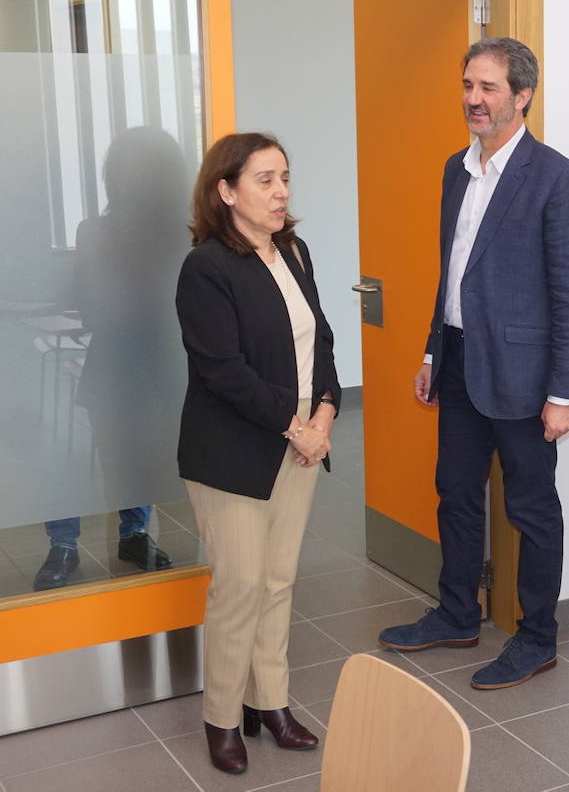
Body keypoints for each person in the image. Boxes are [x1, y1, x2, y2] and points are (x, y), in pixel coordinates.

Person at [377, 38, 569, 690]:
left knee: (532, 509)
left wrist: (564, 393)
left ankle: (537, 636)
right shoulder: (457, 169)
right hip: (460, 361)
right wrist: (432, 350)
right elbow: (454, 274)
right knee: (456, 493)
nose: (474, 99)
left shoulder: (557, 179)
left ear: (522, 96)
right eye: (468, 85)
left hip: (526, 378)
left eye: (489, 87)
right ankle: (457, 614)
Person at [176, 132, 341, 774]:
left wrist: (325, 411)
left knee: (278, 581)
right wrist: (296, 428)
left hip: (300, 440)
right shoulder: (207, 267)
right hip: (234, 450)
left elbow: (320, 338)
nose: (281, 193)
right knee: (240, 587)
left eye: (285, 178)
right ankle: (222, 717)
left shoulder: (294, 251)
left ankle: (269, 702)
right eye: (265, 180)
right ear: (226, 190)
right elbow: (222, 369)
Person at [33, 127, 186, 591]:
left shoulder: (184, 235)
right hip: (116, 365)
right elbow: (88, 301)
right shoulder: (97, 231)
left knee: (138, 457)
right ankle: (64, 543)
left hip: (164, 366)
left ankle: (132, 535)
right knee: (77, 454)